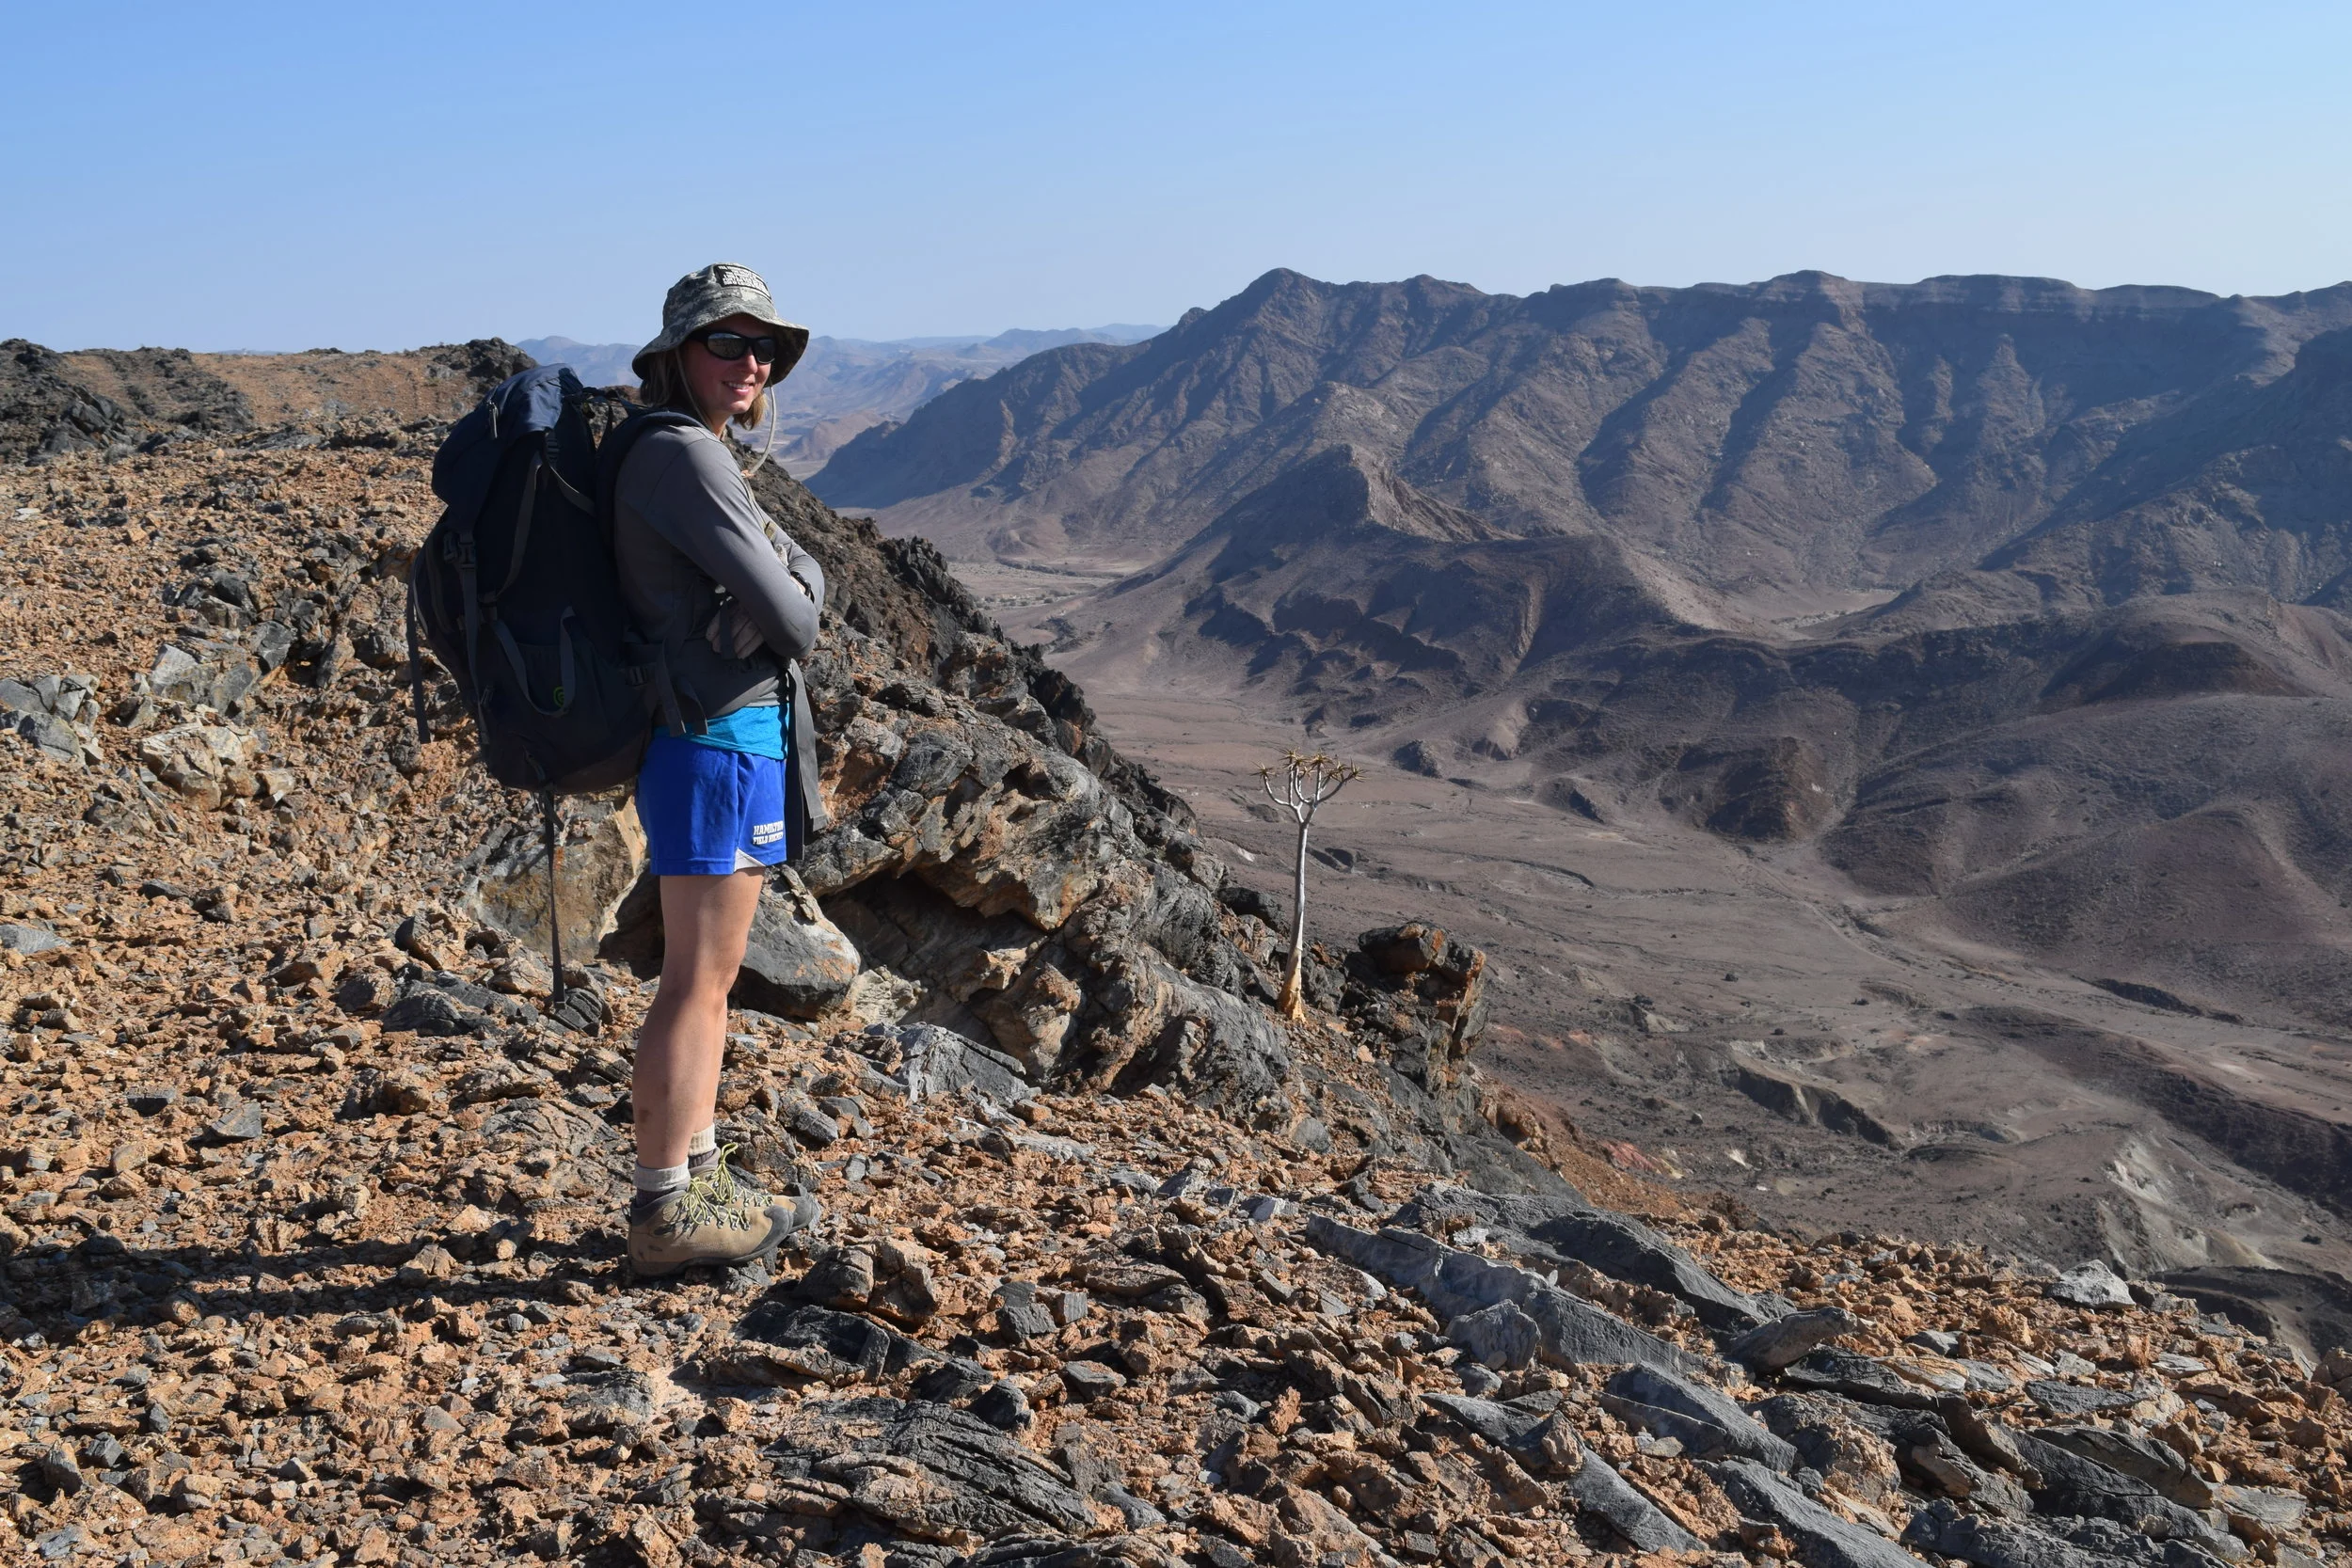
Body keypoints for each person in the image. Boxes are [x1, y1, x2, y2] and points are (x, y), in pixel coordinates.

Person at [612, 262, 830, 1275]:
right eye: (726, 343)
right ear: (677, 354)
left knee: (715, 977)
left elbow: (804, 583)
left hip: (722, 739)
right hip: (712, 740)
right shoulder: (684, 458)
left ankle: (698, 1170)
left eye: (762, 348)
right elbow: (793, 618)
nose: (749, 363)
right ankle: (663, 1209)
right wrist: (785, 599)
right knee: (696, 984)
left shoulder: (700, 455)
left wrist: (792, 592)